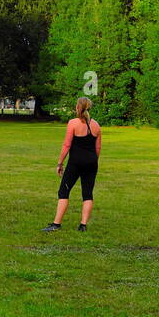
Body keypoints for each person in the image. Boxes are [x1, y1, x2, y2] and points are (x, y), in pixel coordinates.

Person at [43, 97, 101, 232]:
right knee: (87, 193)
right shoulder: (96, 125)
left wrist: (60, 163)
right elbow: (98, 148)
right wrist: (92, 161)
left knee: (64, 191)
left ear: (77, 107)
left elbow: (67, 145)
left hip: (75, 162)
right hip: (91, 163)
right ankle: (83, 225)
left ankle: (56, 224)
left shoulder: (73, 123)